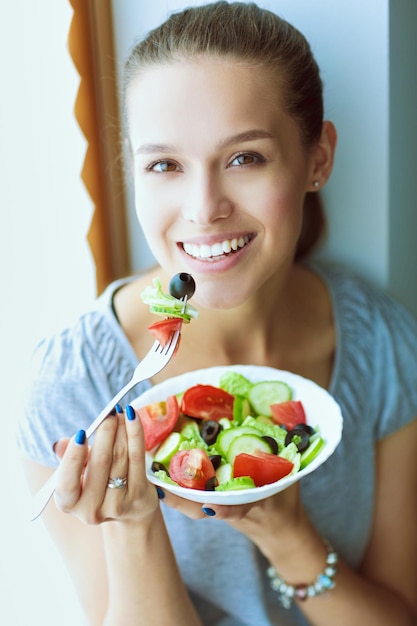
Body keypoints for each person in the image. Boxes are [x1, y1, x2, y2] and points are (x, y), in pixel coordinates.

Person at [17, 2, 417, 625]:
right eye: (165, 165)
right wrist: (134, 523)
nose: (204, 209)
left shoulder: (384, 347)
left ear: (317, 159)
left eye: (244, 158)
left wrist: (289, 536)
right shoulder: (74, 388)